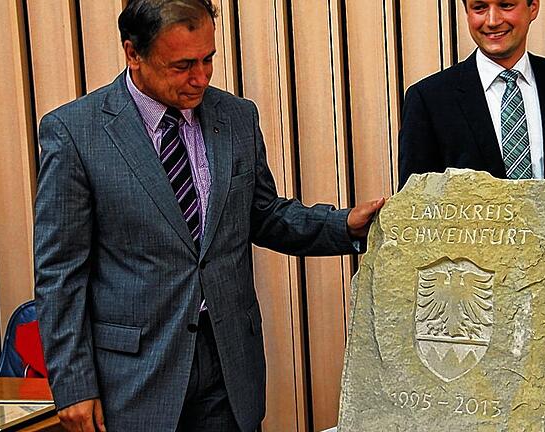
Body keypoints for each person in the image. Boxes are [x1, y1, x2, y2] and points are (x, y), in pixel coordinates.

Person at [33, 1, 383, 431]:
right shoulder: (74, 132)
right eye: (182, 65)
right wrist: (73, 383)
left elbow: (263, 215)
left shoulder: (236, 116)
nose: (200, 78)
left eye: (208, 59)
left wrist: (343, 225)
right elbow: (60, 272)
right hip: (134, 377)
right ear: (133, 54)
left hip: (228, 366)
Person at [397, 0, 545, 428]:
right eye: (479, 8)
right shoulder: (429, 99)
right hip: (476, 319)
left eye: (506, 5)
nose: (492, 20)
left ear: (532, 8)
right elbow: (421, 226)